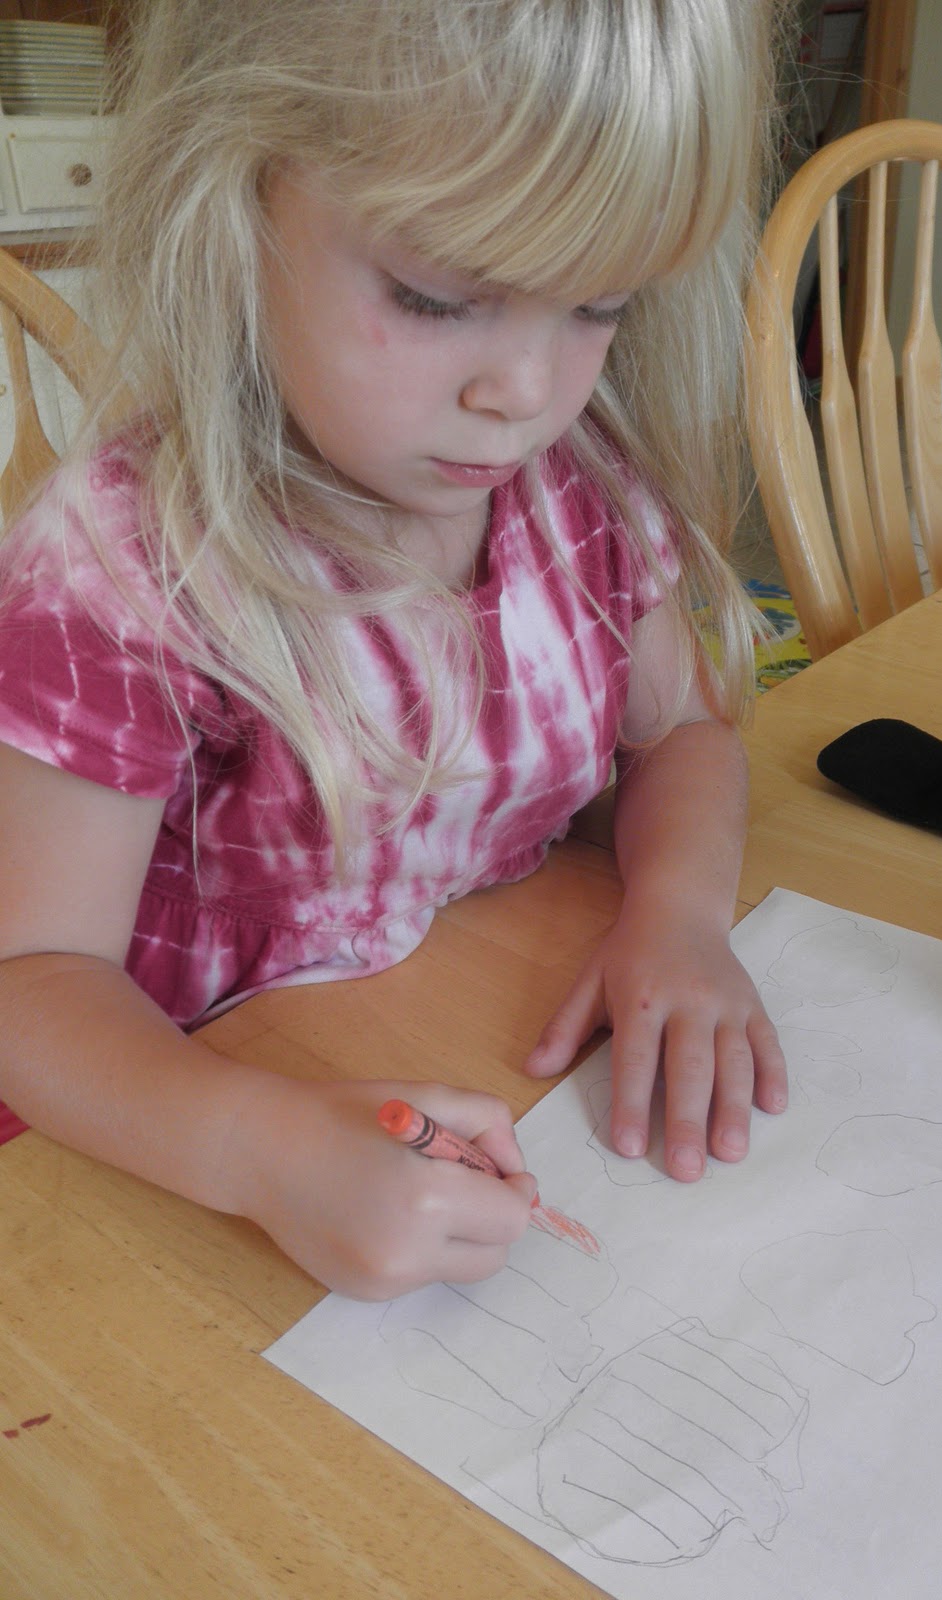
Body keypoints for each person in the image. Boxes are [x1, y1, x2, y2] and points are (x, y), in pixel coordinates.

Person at [0, 0, 788, 1300]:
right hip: (153, 1155)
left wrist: (680, 912)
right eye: (438, 296)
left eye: (598, 304)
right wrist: (255, 1150)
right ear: (235, 204)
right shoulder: (123, 571)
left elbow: (686, 734)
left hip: (452, 1035)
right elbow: (31, 980)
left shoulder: (582, 494)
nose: (524, 393)